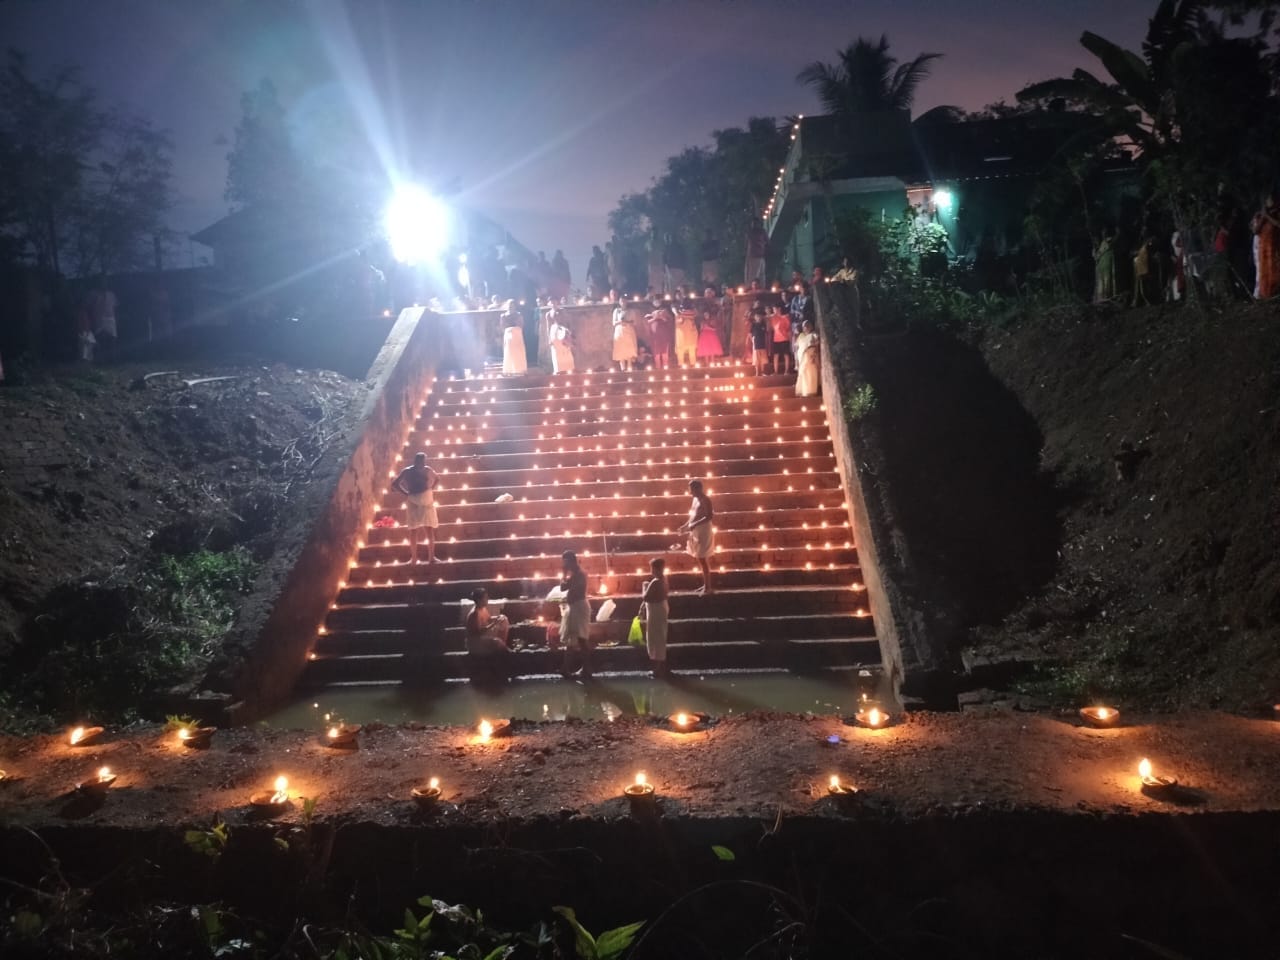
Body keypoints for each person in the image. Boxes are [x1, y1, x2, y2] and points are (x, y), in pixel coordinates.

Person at [392, 452, 439, 564]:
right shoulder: (408, 471)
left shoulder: (427, 469)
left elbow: (437, 478)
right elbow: (395, 484)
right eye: (420, 461)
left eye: (423, 461)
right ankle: (414, 558)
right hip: (413, 499)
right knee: (414, 530)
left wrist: (431, 488)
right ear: (416, 461)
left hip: (425, 498)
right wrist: (406, 493)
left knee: (428, 529)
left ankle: (431, 558)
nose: (422, 463)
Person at [558, 551, 593, 678]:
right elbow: (564, 588)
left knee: (582, 640)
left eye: (565, 562)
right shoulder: (575, 574)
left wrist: (563, 574)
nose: (564, 565)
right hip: (574, 608)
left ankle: (586, 669)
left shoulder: (579, 574)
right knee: (571, 639)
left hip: (579, 608)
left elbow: (563, 587)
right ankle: (565, 668)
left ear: (571, 561)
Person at [678, 479, 714, 595]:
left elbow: (709, 516)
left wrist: (694, 524)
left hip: (704, 530)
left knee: (702, 558)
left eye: (691, 489)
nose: (690, 492)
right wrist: (685, 526)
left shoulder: (706, 500)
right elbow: (693, 516)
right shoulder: (695, 499)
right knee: (699, 557)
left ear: (698, 489)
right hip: (696, 530)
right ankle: (705, 584)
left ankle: (708, 587)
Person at [641, 557, 670, 677]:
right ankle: (660, 666)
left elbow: (646, 597)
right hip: (661, 609)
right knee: (660, 637)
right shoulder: (664, 579)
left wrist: (644, 586)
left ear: (656, 569)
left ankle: (657, 669)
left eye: (652, 568)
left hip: (656, 612)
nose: (651, 571)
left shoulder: (656, 582)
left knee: (655, 638)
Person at [465, 588, 511, 656]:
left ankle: (503, 644)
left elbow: (488, 619)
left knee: (504, 619)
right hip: (475, 643)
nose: (488, 599)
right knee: (497, 642)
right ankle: (506, 651)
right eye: (486, 597)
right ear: (479, 600)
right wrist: (494, 624)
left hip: (482, 638)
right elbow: (478, 632)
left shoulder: (483, 608)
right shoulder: (474, 613)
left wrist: (498, 617)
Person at [1253, 191, 1280, 300]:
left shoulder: (1277, 211)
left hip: (1275, 245)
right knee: (1264, 270)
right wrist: (1262, 217)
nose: (1269, 201)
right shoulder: (1260, 215)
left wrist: (1268, 216)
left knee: (1275, 268)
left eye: (1270, 199)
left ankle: (1275, 291)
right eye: (1267, 199)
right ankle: (1267, 293)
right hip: (1263, 247)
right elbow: (1255, 231)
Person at [500, 299, 527, 375]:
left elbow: (521, 324)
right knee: (509, 351)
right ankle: (509, 369)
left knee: (518, 351)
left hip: (517, 334)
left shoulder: (518, 314)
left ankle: (519, 369)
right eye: (509, 305)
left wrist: (516, 330)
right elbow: (502, 326)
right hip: (508, 334)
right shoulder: (503, 316)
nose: (511, 306)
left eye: (512, 305)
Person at [646, 299, 674, 369]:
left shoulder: (665, 310)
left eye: (658, 301)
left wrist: (662, 318)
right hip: (655, 337)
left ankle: (665, 367)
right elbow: (647, 321)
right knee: (656, 353)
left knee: (665, 353)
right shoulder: (650, 310)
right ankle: (658, 368)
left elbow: (670, 320)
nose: (657, 303)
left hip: (664, 336)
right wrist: (655, 318)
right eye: (655, 301)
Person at [795, 319, 820, 397]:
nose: (806, 328)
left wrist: (814, 355)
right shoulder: (801, 336)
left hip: (811, 356)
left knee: (811, 374)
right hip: (802, 357)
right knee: (803, 374)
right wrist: (797, 361)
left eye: (808, 326)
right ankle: (804, 391)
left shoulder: (814, 335)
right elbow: (798, 348)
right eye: (805, 326)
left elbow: (816, 345)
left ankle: (811, 391)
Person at [612, 301, 638, 371]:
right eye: (622, 301)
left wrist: (627, 322)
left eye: (624, 301)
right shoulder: (616, 311)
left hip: (629, 330)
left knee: (629, 347)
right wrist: (620, 321)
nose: (623, 303)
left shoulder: (631, 311)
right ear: (619, 302)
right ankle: (622, 367)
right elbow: (614, 323)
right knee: (620, 348)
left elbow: (634, 322)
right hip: (620, 330)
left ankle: (629, 365)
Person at [1093, 228, 1117, 303]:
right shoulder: (1101, 244)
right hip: (1101, 265)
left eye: (1105, 232)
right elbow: (1096, 256)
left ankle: (1108, 296)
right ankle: (1101, 298)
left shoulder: (1109, 240)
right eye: (1102, 232)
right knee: (1101, 282)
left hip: (1108, 263)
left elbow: (1110, 244)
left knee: (1107, 280)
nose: (1103, 233)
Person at [769, 301, 792, 375]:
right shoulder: (773, 318)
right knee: (776, 355)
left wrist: (790, 338)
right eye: (773, 309)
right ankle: (775, 371)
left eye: (775, 309)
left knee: (786, 355)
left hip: (785, 338)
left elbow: (788, 328)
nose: (774, 311)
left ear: (779, 309)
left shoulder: (785, 317)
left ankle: (787, 371)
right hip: (776, 339)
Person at [673, 299, 698, 366]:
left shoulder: (679, 314)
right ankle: (693, 363)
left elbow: (678, 322)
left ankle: (681, 364)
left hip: (682, 336)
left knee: (681, 350)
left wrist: (675, 312)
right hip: (691, 336)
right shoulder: (693, 313)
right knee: (692, 350)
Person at [749, 308, 769, 376]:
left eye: (760, 316)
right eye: (757, 316)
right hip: (756, 343)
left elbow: (766, 332)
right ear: (755, 317)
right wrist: (752, 340)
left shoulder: (764, 324)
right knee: (756, 359)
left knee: (763, 358)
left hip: (762, 343)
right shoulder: (753, 325)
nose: (759, 318)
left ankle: (763, 371)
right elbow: (750, 333)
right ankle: (757, 372)